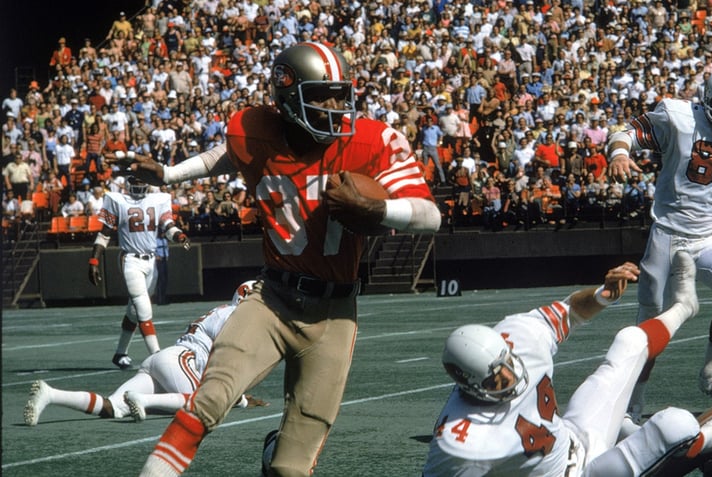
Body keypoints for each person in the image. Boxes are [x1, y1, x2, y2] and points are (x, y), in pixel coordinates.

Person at [125, 43, 440, 477]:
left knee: (291, 467)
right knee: (207, 402)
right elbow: (231, 154)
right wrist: (172, 174)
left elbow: (431, 215)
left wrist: (378, 211)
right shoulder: (255, 131)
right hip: (272, 299)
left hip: (334, 314)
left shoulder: (369, 140)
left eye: (338, 95)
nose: (334, 107)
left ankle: (274, 451)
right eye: (320, 96)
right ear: (288, 98)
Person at [422, 253, 712, 476]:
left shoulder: (517, 335)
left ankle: (684, 306)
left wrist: (602, 295)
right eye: (497, 379)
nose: (511, 377)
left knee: (629, 340)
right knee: (677, 424)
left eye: (507, 363)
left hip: (573, 437)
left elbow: (571, 310)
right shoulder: (459, 439)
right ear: (467, 386)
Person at [606, 68, 712, 413]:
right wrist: (619, 154)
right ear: (704, 99)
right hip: (668, 234)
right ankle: (634, 403)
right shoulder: (679, 117)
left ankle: (711, 371)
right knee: (649, 324)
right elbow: (626, 132)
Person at [24, 282, 267, 426]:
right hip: (179, 360)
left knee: (114, 408)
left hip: (164, 361)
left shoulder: (221, 311)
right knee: (204, 402)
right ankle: (144, 401)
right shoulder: (234, 315)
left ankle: (52, 395)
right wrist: (242, 400)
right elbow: (226, 366)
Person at [88, 172, 191, 370]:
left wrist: (179, 236)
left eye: (142, 181)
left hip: (151, 261)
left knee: (134, 311)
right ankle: (157, 357)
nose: (139, 185)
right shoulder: (117, 200)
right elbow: (104, 234)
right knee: (144, 308)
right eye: (135, 181)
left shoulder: (159, 199)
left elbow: (167, 226)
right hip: (130, 259)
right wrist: (94, 260)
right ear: (127, 183)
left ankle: (120, 353)